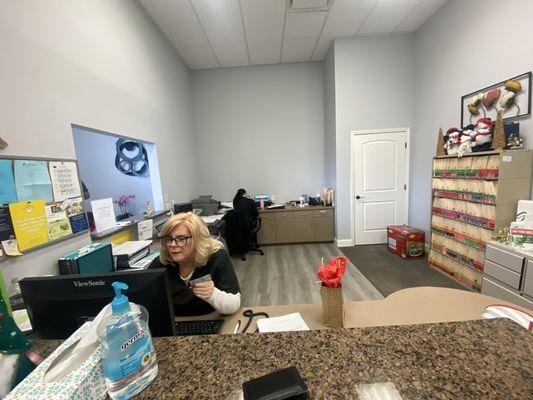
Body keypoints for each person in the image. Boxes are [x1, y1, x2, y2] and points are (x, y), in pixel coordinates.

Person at [149, 212, 241, 316]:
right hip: (175, 322)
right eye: (168, 239)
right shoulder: (161, 263)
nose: (172, 245)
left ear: (198, 239)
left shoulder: (216, 257)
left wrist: (213, 294)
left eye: (181, 238)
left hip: (209, 318)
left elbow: (234, 303)